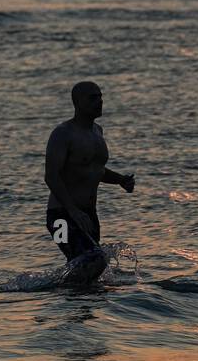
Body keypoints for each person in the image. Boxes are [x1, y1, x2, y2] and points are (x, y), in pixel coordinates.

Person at [44, 82, 134, 261]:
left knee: (91, 271)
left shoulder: (97, 131)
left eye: (100, 97)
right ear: (77, 102)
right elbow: (51, 176)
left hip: (89, 214)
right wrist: (73, 211)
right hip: (62, 215)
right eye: (93, 98)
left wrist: (120, 180)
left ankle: (63, 289)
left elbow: (96, 170)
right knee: (92, 261)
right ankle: (52, 288)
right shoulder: (63, 133)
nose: (99, 101)